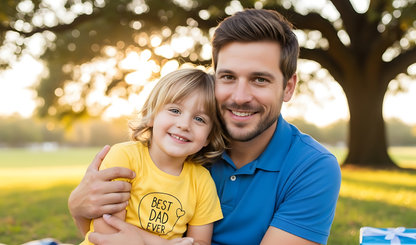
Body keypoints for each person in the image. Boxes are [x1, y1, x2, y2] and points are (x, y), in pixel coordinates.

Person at [68, 8, 341, 245]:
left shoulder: (312, 168)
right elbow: (103, 235)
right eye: (228, 77)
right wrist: (78, 207)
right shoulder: (182, 148)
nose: (240, 96)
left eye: (259, 80)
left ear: (288, 87)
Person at [79, 68, 227, 245]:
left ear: (208, 138)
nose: (184, 125)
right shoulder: (124, 158)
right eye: (175, 110)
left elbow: (200, 242)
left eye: (200, 119)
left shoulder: (202, 181)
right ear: (151, 116)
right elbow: (108, 231)